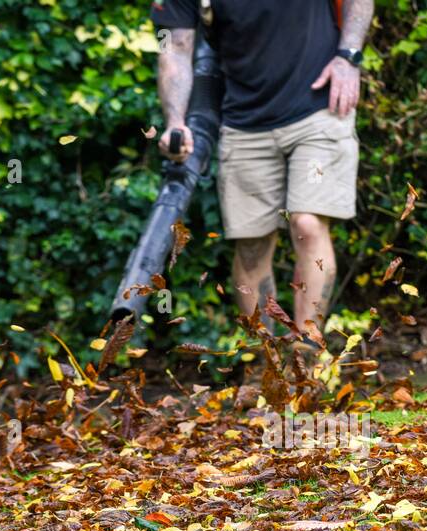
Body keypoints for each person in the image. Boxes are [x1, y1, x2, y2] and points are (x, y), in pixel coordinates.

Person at [151, 0, 374, 349]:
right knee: (252, 246)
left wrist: (349, 57)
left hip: (319, 109)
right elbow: (175, 48)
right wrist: (176, 121)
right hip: (243, 122)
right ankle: (271, 366)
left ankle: (307, 358)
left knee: (307, 222)